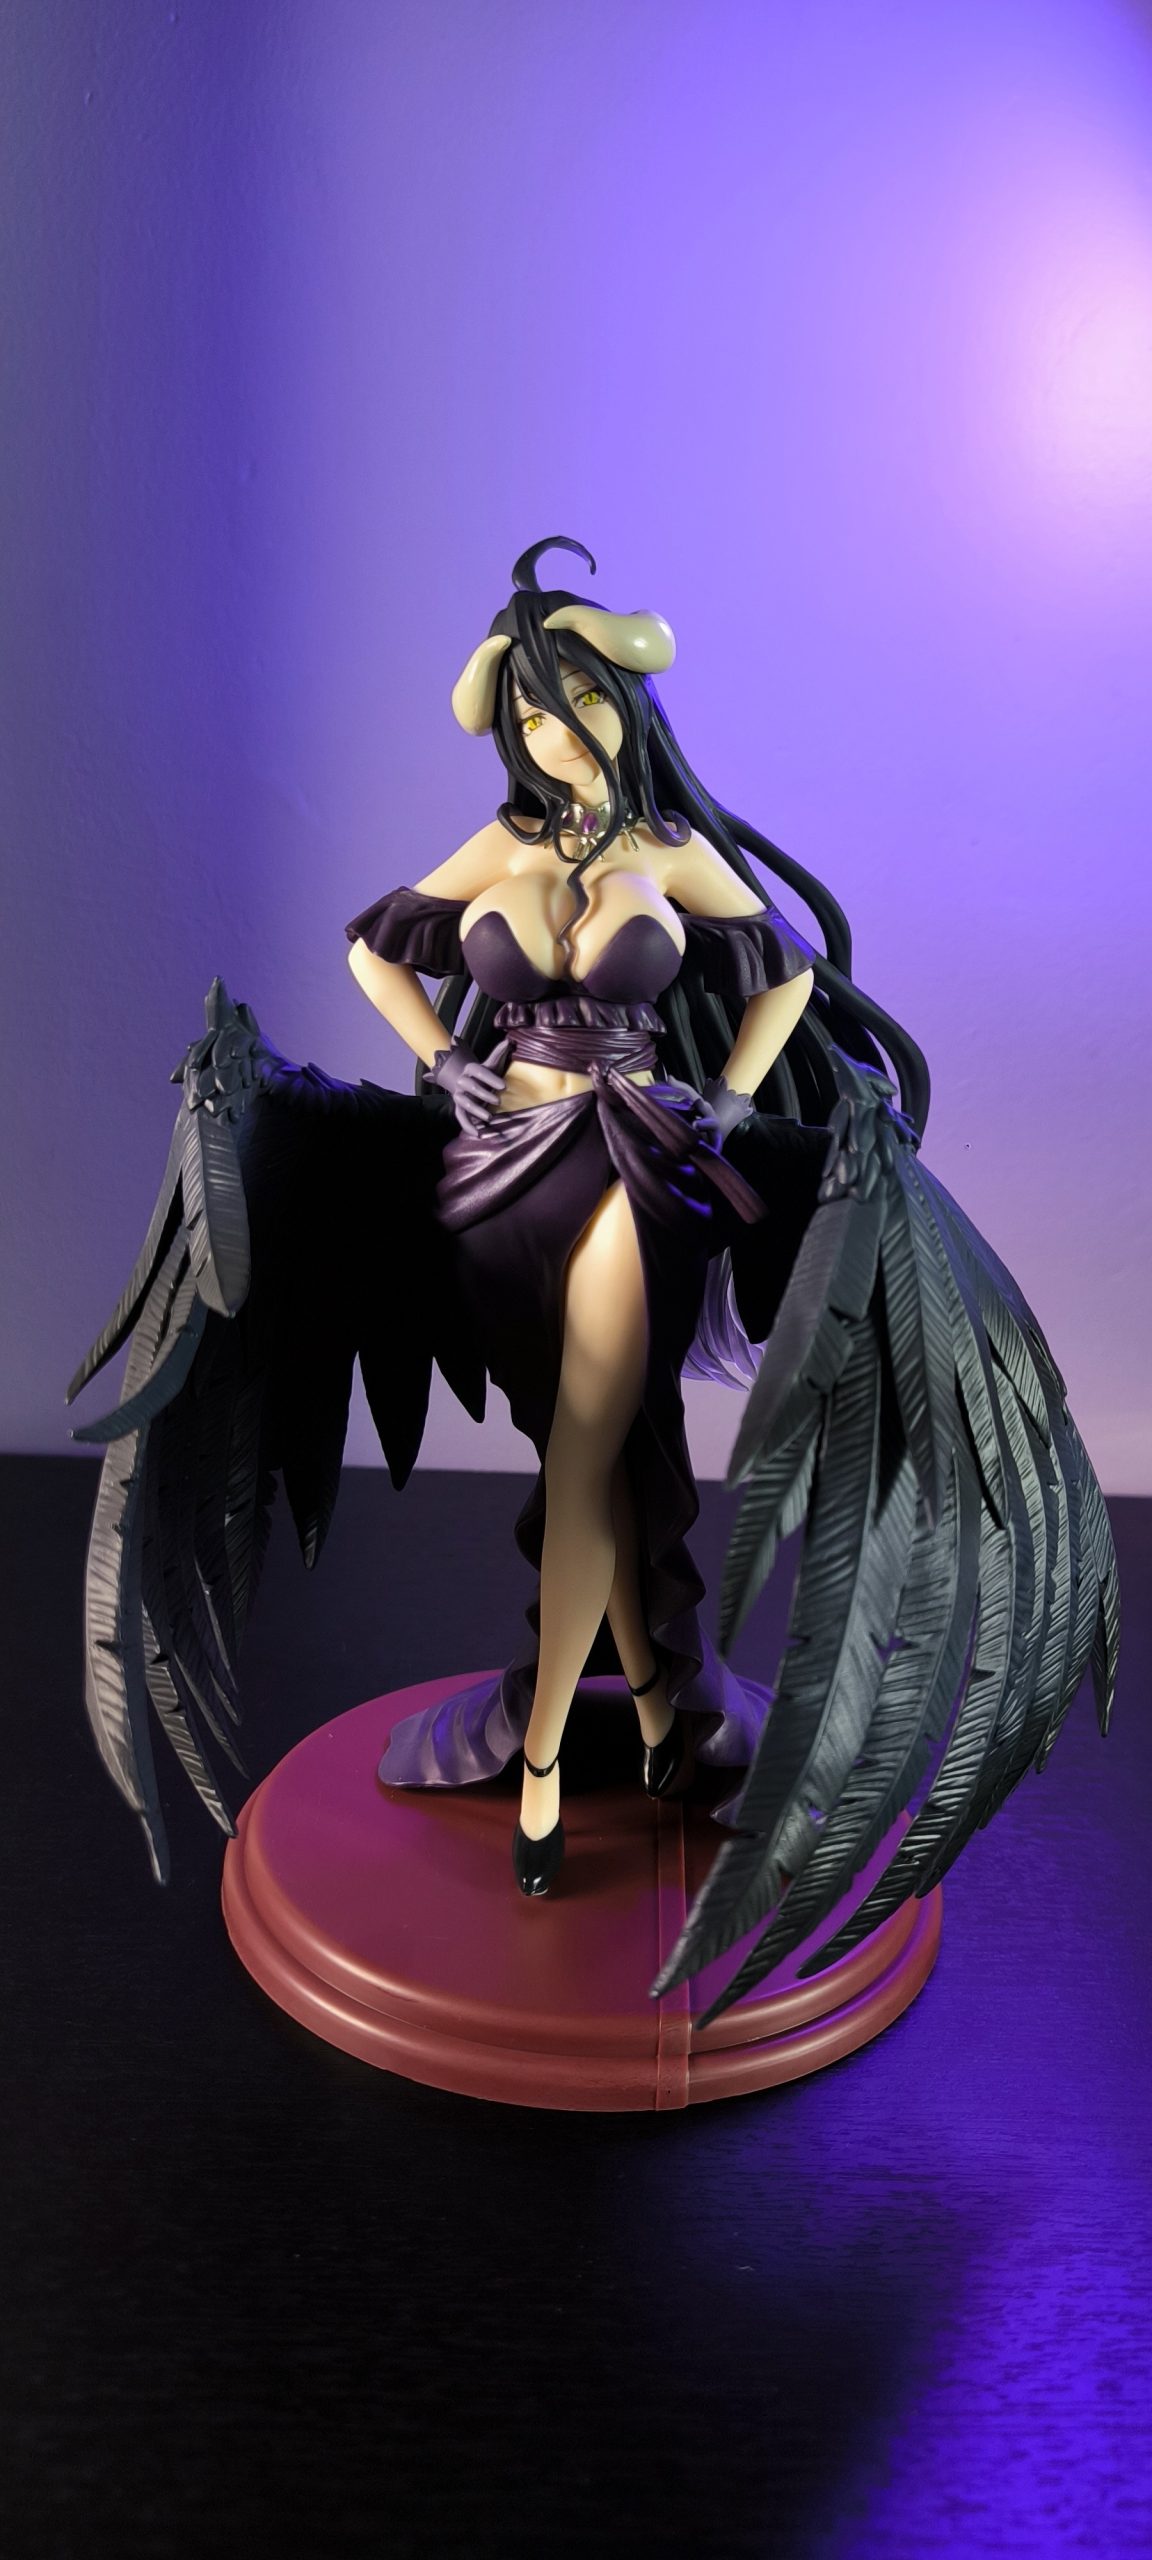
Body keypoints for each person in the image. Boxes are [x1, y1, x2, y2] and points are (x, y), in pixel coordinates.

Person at [344, 537, 895, 1893]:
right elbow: (372, 948)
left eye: (581, 700)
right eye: (533, 715)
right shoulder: (506, 842)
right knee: (584, 1450)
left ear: (627, 705)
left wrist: (734, 1097)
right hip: (495, 1180)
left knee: (588, 1454)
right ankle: (657, 1711)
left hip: (632, 1166)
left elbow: (782, 974)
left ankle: (539, 1760)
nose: (557, 734)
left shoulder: (669, 850)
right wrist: (442, 1060)